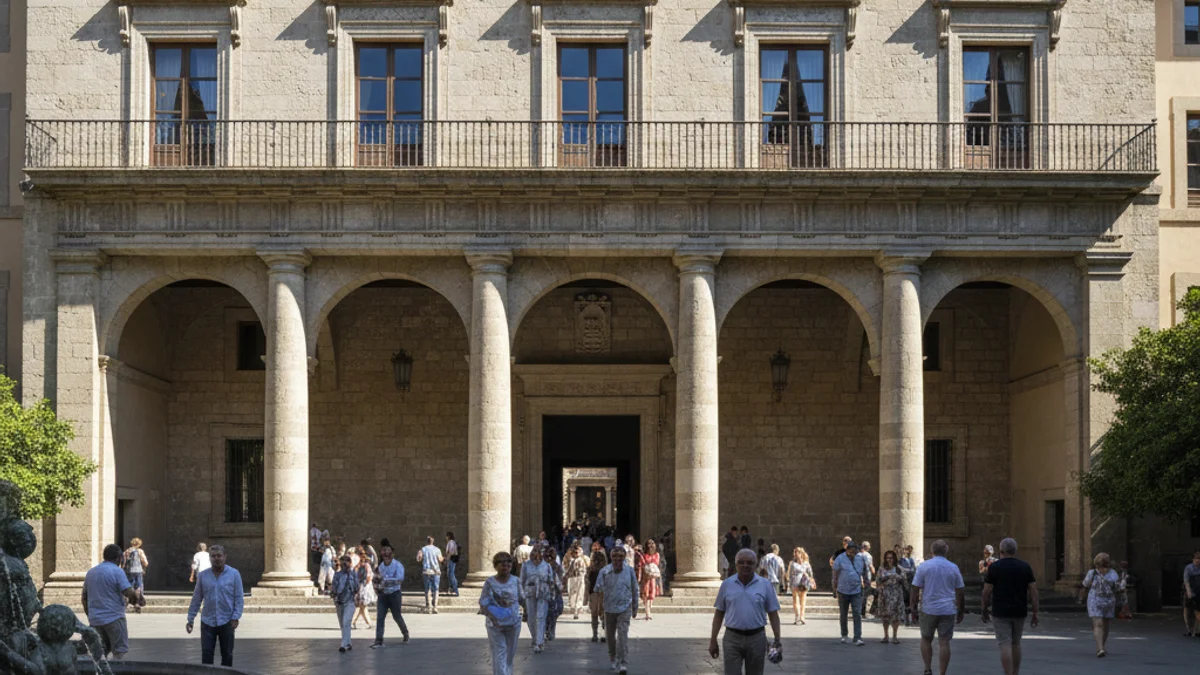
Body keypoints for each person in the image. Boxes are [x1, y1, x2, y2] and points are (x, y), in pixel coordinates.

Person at [709, 549, 782, 675]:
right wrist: (713, 639)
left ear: (756, 565)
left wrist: (777, 639)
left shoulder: (765, 585)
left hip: (757, 638)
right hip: (732, 638)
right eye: (741, 562)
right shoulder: (727, 584)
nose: (745, 565)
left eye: (749, 562)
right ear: (736, 564)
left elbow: (773, 614)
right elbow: (719, 613)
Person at [981, 538, 1039, 675]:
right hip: (1019, 609)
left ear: (1001, 551)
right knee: (1016, 643)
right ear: (1015, 551)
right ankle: (1015, 673)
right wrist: (1035, 612)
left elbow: (986, 591)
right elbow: (1033, 591)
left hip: (1000, 611)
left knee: (1004, 643)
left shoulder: (994, 568)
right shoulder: (1025, 567)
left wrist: (983, 608)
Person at [910, 540, 965, 675]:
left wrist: (913, 607)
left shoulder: (924, 566)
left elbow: (915, 588)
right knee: (944, 642)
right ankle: (942, 672)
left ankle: (928, 668)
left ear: (932, 551)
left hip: (928, 608)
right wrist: (961, 610)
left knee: (926, 638)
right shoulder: (953, 567)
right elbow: (960, 591)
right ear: (946, 551)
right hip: (948, 608)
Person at [186, 544, 244, 668]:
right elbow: (197, 598)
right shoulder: (203, 575)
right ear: (210, 558)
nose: (216, 558)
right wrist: (190, 618)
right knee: (206, 655)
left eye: (219, 556)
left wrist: (236, 616)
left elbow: (239, 598)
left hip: (227, 620)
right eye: (213, 556)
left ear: (225, 557)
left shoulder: (234, 574)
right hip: (208, 621)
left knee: (227, 654)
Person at [82, 544, 139, 660]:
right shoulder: (117, 571)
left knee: (99, 653)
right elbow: (128, 591)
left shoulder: (91, 572)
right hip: (114, 618)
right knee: (119, 653)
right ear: (119, 558)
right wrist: (136, 600)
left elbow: (84, 597)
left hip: (95, 620)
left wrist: (90, 615)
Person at [594, 546, 639, 674]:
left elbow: (635, 589)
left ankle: (623, 662)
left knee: (623, 635)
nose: (618, 560)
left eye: (620, 557)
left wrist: (635, 606)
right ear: (611, 557)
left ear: (624, 558)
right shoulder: (605, 571)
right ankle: (613, 657)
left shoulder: (629, 571)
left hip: (625, 607)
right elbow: (598, 590)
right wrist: (600, 610)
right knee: (610, 636)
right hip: (609, 608)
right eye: (615, 557)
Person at [481, 551, 522, 675]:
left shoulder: (516, 581)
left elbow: (522, 598)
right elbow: (483, 603)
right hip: (495, 625)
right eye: (502, 563)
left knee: (509, 655)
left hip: (513, 623)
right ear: (495, 566)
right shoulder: (489, 583)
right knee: (500, 652)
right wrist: (493, 619)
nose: (505, 566)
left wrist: (526, 614)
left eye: (508, 563)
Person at [1081, 551, 1124, 657]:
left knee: (1106, 624)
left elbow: (1118, 587)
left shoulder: (1113, 574)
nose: (1103, 569)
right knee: (1098, 623)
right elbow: (1085, 584)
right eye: (1101, 566)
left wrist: (1121, 586)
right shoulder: (1092, 573)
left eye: (1105, 566)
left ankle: (1102, 646)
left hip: (1109, 601)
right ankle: (1100, 648)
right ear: (1097, 566)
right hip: (1094, 600)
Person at [372, 544, 410, 648]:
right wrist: (378, 588)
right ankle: (378, 640)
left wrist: (386, 580)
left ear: (392, 555)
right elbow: (376, 580)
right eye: (384, 554)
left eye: (388, 554)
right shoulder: (380, 567)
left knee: (396, 616)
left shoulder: (398, 565)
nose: (386, 556)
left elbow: (399, 579)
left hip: (394, 594)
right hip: (383, 595)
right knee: (380, 617)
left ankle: (405, 632)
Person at [831, 540, 868, 646]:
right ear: (847, 550)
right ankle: (844, 635)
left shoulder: (860, 558)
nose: (853, 553)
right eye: (851, 551)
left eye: (855, 551)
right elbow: (835, 573)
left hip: (856, 590)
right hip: (843, 590)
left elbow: (864, 572)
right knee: (844, 613)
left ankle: (858, 637)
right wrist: (834, 586)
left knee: (857, 613)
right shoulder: (840, 558)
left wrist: (865, 583)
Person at [520, 544, 554, 653]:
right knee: (531, 617)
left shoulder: (546, 566)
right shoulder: (526, 565)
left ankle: (539, 642)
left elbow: (551, 580)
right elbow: (521, 580)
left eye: (539, 553)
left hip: (543, 593)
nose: (537, 555)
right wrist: (521, 594)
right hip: (530, 592)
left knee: (541, 616)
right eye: (535, 552)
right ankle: (534, 638)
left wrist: (552, 593)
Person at [875, 550, 906, 644]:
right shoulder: (882, 568)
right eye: (887, 558)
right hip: (885, 594)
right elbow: (877, 580)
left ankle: (895, 636)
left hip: (896, 594)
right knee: (885, 616)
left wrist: (897, 577)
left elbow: (904, 580)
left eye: (891, 558)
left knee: (895, 616)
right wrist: (885, 578)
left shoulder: (899, 568)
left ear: (894, 559)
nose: (889, 560)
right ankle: (886, 636)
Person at [330, 554, 359, 653]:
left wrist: (351, 577)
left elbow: (357, 587)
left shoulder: (354, 574)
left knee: (347, 621)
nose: (345, 563)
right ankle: (348, 642)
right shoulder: (337, 575)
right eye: (343, 561)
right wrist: (334, 596)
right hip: (339, 601)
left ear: (350, 563)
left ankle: (343, 644)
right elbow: (334, 586)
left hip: (350, 601)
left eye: (347, 561)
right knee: (342, 623)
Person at [543, 545, 566, 641]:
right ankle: (547, 629)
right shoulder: (542, 566)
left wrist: (561, 586)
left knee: (557, 610)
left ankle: (551, 627)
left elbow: (561, 577)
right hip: (545, 592)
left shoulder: (557, 566)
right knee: (548, 612)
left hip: (556, 592)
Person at [417, 535, 444, 614]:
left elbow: (419, 559)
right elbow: (440, 559)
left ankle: (428, 606)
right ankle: (435, 607)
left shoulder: (423, 549)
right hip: (436, 571)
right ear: (433, 541)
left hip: (426, 571)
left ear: (427, 541)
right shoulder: (437, 549)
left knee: (427, 589)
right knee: (436, 589)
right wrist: (444, 558)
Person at [788, 547, 814, 625]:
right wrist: (789, 582)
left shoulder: (806, 563)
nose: (795, 554)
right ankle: (797, 616)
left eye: (797, 552)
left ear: (801, 553)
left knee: (803, 600)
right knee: (795, 599)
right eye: (795, 552)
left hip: (804, 583)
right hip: (795, 583)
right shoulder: (792, 563)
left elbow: (810, 573)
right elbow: (789, 574)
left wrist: (811, 581)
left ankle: (802, 616)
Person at [122, 538, 149, 613]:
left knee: (129, 586)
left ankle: (127, 601)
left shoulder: (127, 551)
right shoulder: (140, 551)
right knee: (139, 585)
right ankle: (138, 602)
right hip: (138, 571)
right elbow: (145, 563)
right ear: (139, 544)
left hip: (129, 571)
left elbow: (123, 563)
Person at [587, 549, 609, 643]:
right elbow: (587, 582)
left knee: (600, 614)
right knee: (596, 613)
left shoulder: (606, 570)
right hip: (594, 592)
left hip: (601, 592)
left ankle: (599, 633)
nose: (597, 562)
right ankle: (596, 633)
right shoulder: (590, 570)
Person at [639, 539, 662, 620]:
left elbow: (656, 563)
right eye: (649, 543)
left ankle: (649, 610)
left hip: (653, 577)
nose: (651, 545)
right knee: (646, 594)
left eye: (652, 543)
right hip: (646, 577)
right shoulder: (644, 555)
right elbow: (642, 564)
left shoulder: (657, 554)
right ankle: (647, 612)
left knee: (652, 595)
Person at [352, 551, 376, 630]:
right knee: (361, 607)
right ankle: (355, 622)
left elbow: (368, 578)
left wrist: (362, 587)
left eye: (363, 560)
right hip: (360, 588)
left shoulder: (366, 566)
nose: (361, 562)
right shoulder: (358, 567)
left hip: (364, 589)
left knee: (362, 607)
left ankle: (353, 622)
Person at [565, 543, 589, 620]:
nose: (577, 553)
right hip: (572, 578)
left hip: (580, 577)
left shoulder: (584, 558)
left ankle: (576, 610)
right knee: (572, 594)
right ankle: (574, 607)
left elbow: (588, 567)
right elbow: (565, 567)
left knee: (579, 594)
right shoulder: (569, 558)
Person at [1185, 550, 1200, 638]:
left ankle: (1196, 631)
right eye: (1196, 559)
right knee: (1194, 612)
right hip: (1193, 592)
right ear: (1193, 559)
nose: (1197, 560)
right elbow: (1186, 580)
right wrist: (1189, 591)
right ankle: (1191, 630)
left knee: (1198, 612)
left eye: (1199, 559)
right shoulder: (1189, 568)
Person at [445, 532, 461, 597]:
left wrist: (447, 559)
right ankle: (451, 588)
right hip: (451, 560)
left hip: (451, 560)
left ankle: (455, 590)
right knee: (450, 574)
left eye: (446, 536)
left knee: (451, 575)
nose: (446, 537)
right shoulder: (453, 542)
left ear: (448, 536)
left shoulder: (451, 542)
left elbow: (451, 552)